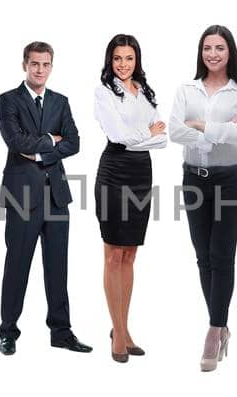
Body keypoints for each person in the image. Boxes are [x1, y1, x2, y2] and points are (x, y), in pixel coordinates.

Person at [0, 41, 90, 356]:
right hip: (21, 194)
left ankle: (61, 332)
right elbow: (14, 140)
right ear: (25, 64)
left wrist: (36, 150)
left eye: (45, 64)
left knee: (57, 267)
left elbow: (75, 142)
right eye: (34, 63)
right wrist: (51, 140)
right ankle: (8, 332)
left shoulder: (60, 102)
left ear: (51, 66)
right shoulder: (8, 100)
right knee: (17, 265)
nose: (40, 70)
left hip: (57, 195)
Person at [168, 25, 237, 370]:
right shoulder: (186, 89)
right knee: (203, 256)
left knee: (222, 255)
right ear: (200, 52)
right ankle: (220, 322)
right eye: (207, 48)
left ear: (229, 52)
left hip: (230, 180)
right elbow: (174, 130)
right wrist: (216, 132)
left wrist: (199, 126)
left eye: (219, 48)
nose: (213, 54)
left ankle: (215, 329)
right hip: (194, 180)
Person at [91, 34, 165, 362]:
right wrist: (147, 134)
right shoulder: (104, 92)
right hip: (114, 172)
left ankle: (123, 325)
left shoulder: (146, 91)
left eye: (129, 58)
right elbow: (117, 136)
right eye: (118, 58)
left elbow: (163, 140)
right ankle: (118, 332)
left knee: (131, 255)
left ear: (137, 60)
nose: (124, 64)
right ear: (111, 60)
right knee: (112, 255)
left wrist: (147, 137)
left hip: (140, 174)